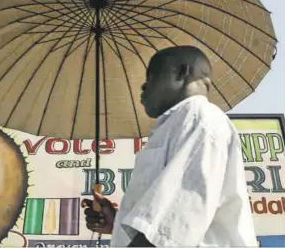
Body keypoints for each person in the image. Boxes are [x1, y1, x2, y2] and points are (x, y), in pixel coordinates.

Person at [82, 46, 257, 246]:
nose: (143, 87)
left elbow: (172, 227)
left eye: (151, 76)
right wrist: (117, 223)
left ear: (182, 73)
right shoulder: (179, 124)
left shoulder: (200, 119)